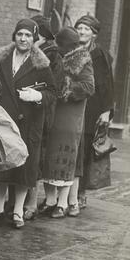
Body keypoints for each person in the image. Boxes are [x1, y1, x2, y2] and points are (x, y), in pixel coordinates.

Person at [0, 18, 56, 229]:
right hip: (4, 120)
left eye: (27, 35)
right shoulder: (1, 59)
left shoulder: (41, 64)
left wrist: (37, 95)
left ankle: (17, 210)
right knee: (1, 164)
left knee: (24, 167)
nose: (23, 39)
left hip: (28, 122)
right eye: (19, 34)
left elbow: (52, 92)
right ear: (14, 36)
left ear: (34, 39)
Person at [42, 27, 95, 218]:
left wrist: (66, 87)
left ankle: (62, 203)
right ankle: (50, 200)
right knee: (50, 156)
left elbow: (89, 87)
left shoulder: (82, 60)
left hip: (70, 117)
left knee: (65, 157)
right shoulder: (54, 55)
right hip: (53, 114)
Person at [24, 14, 64, 219]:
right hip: (22, 110)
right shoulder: (24, 51)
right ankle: (16, 202)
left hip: (41, 112)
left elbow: (52, 88)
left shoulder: (53, 56)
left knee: (35, 158)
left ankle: (30, 203)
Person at [74, 14, 115, 209]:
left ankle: (80, 192)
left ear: (94, 34)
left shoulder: (101, 55)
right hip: (71, 106)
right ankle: (61, 194)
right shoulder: (69, 49)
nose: (81, 31)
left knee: (85, 152)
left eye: (86, 29)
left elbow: (108, 86)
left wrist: (107, 111)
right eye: (79, 27)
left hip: (93, 109)